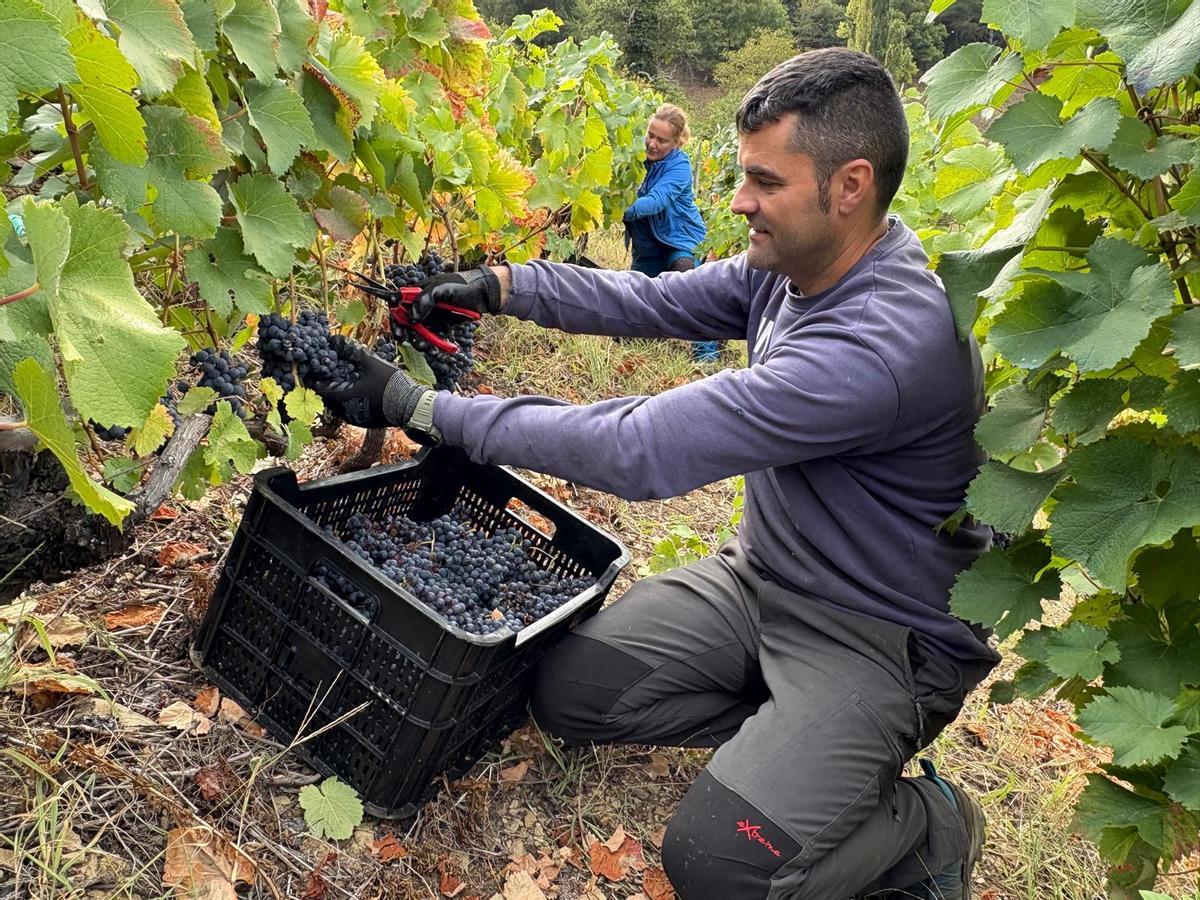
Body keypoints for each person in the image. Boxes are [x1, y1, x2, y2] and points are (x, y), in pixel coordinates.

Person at [318, 48, 999, 900]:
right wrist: (500, 284)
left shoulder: (886, 345)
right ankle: (795, 744)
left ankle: (930, 823)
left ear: (850, 184)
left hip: (879, 638)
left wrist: (425, 411)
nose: (740, 202)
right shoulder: (795, 269)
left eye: (763, 181)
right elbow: (650, 301)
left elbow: (637, 448)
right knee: (570, 694)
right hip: (762, 584)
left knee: (719, 865)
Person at [623, 104, 718, 362]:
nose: (652, 144)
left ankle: (706, 358)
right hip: (648, 244)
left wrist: (618, 209)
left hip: (681, 239)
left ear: (676, 142)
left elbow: (655, 201)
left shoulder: (680, 167)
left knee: (687, 284)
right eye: (650, 135)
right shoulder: (633, 157)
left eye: (661, 140)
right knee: (637, 298)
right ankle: (644, 344)